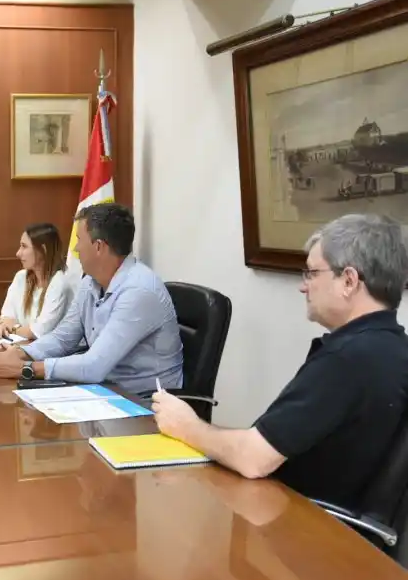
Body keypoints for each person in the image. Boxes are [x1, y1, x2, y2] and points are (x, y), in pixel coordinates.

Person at [152, 213, 408, 509]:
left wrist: (187, 426)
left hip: (303, 528)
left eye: (312, 273)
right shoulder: (390, 346)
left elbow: (254, 459)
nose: (304, 286)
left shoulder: (348, 360)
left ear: (348, 281)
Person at [0, 202, 183, 393]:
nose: (75, 249)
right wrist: (20, 354)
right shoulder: (90, 283)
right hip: (107, 389)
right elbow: (63, 338)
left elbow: (94, 366)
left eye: (79, 240)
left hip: (147, 403)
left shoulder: (138, 291)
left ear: (99, 246)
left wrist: (25, 368)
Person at [0, 223, 73, 341]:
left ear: (43, 250)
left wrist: (13, 327)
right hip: (22, 347)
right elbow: (5, 318)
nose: (18, 253)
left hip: (50, 354)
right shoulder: (21, 277)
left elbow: (38, 332)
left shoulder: (59, 283)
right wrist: (3, 326)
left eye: (24, 246)